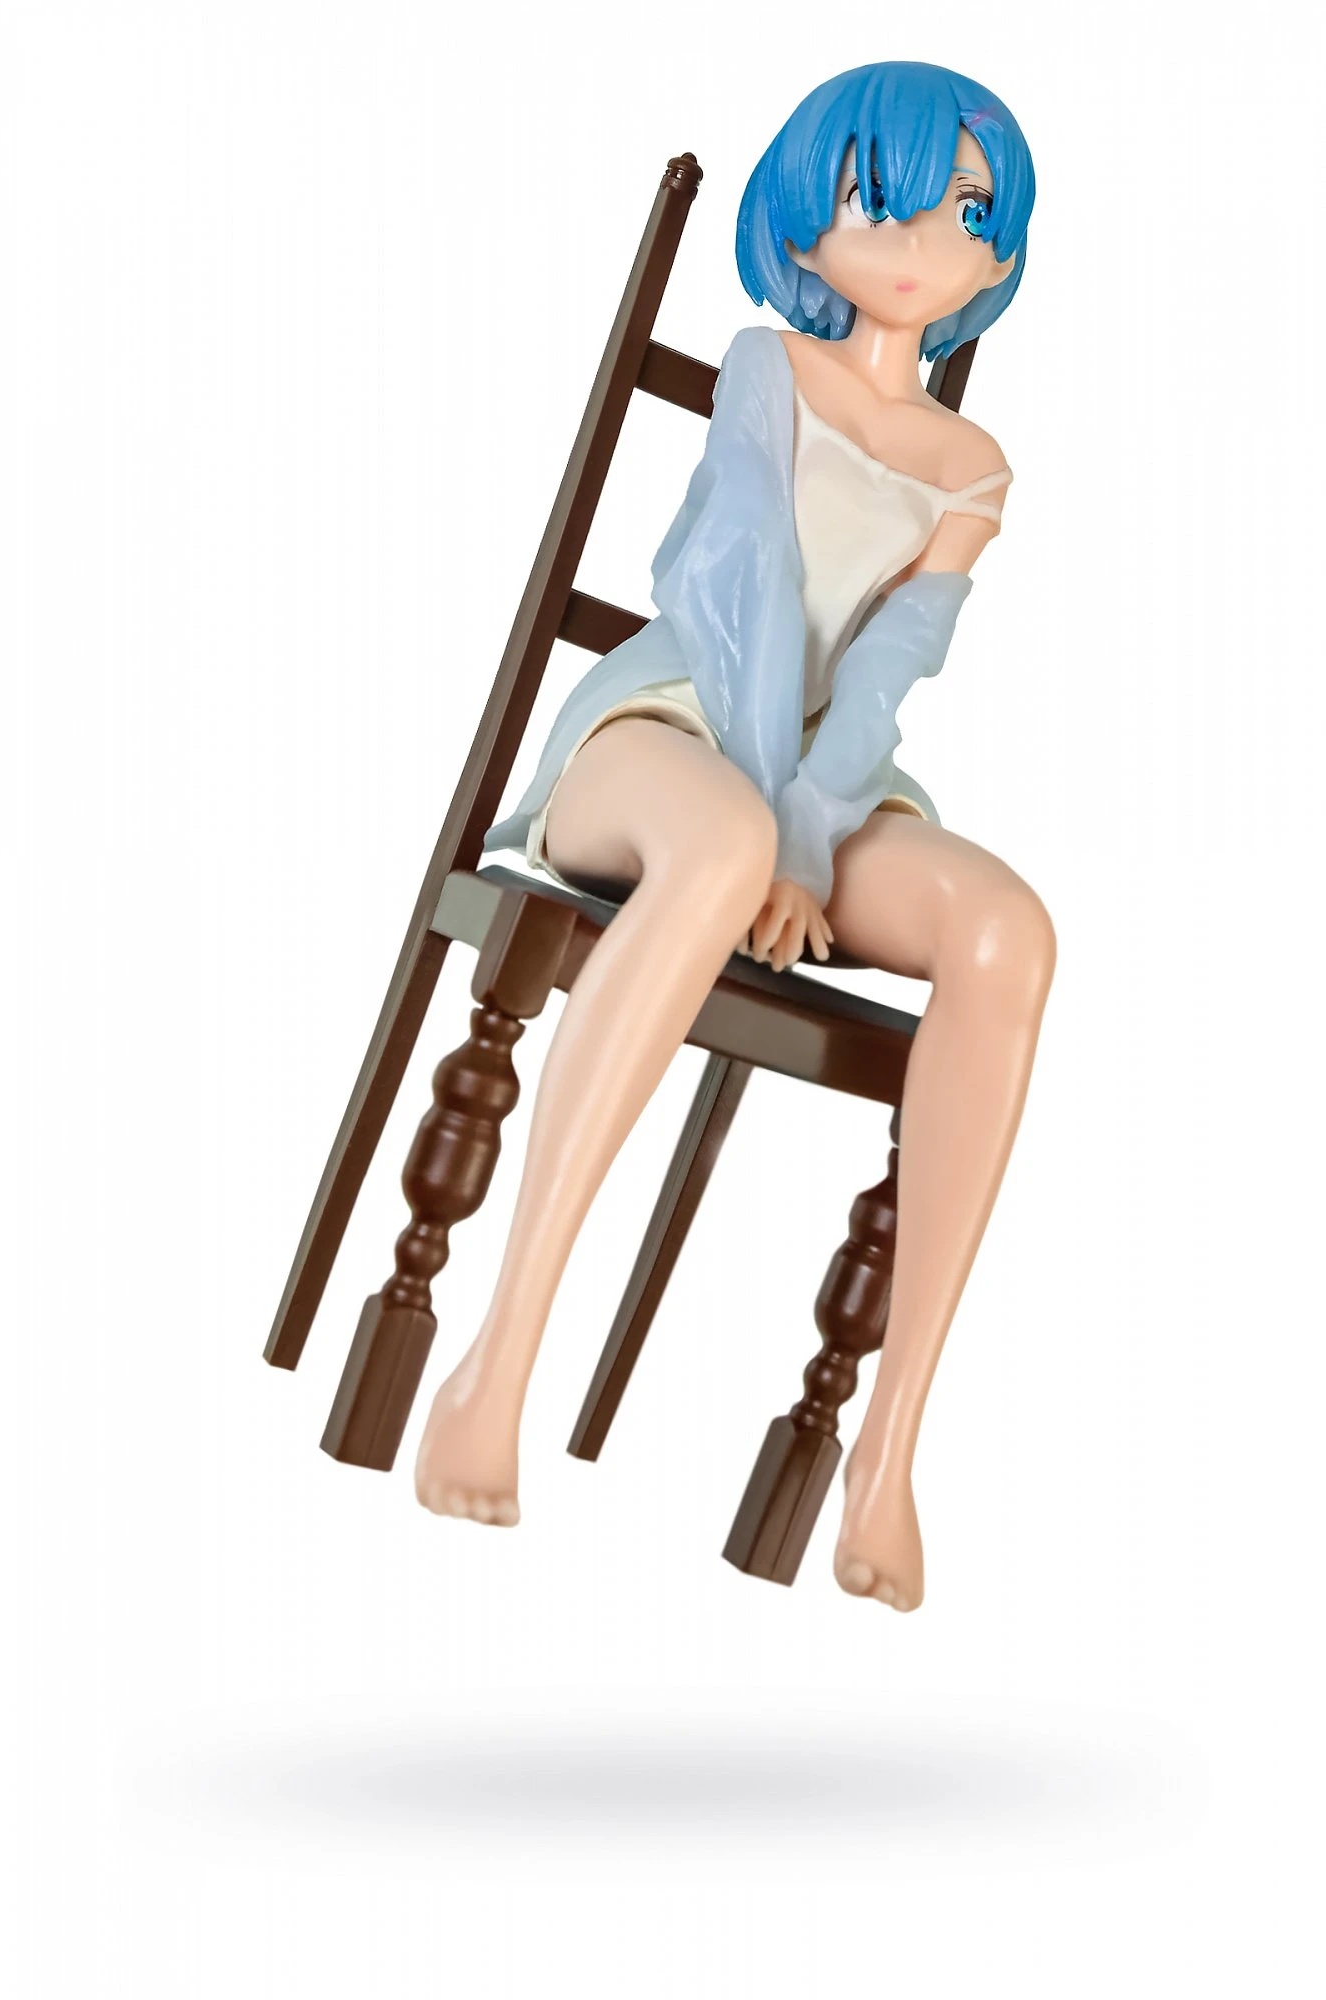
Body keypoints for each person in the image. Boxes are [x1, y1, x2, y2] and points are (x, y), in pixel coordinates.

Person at [415, 59, 1056, 1613]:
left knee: (1007, 929)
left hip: (827, 784)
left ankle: (888, 1452)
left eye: (969, 212)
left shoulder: (973, 469)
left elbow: (890, 668)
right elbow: (740, 594)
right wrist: (769, 830)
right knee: (709, 852)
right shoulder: (770, 369)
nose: (924, 242)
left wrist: (812, 832)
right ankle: (499, 1352)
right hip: (672, 730)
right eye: (882, 198)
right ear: (806, 211)